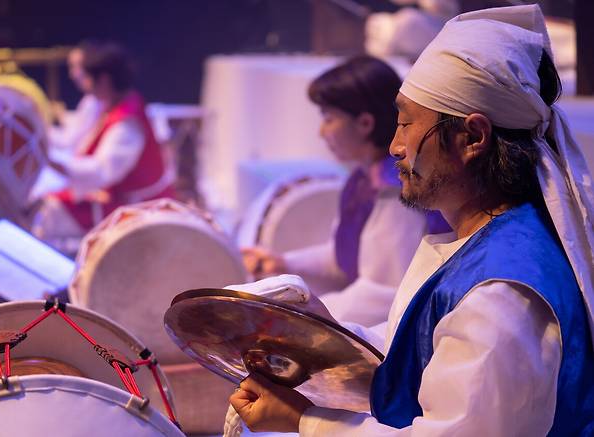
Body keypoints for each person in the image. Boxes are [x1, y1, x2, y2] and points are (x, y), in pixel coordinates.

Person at [229, 5, 594, 435]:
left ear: (472, 138)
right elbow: (420, 349)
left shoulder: (499, 294)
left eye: (405, 124)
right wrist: (313, 340)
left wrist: (303, 420)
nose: (394, 146)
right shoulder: (493, 241)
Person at [243, 56, 447, 327]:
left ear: (365, 123)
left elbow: (384, 294)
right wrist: (284, 264)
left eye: (329, 119)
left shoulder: (396, 189)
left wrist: (299, 316)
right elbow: (345, 256)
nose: (321, 132)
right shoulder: (363, 178)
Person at [32, 41, 174, 241]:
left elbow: (102, 172)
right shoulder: (105, 103)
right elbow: (73, 138)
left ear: (104, 80)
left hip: (136, 210)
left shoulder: (127, 123)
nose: (80, 81)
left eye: (86, 77)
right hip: (111, 196)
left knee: (44, 216)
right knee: (41, 201)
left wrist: (51, 161)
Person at [48, 41, 104, 151]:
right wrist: (62, 115)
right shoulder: (90, 99)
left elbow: (68, 141)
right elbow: (80, 122)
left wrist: (39, 126)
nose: (72, 74)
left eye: (76, 66)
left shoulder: (94, 101)